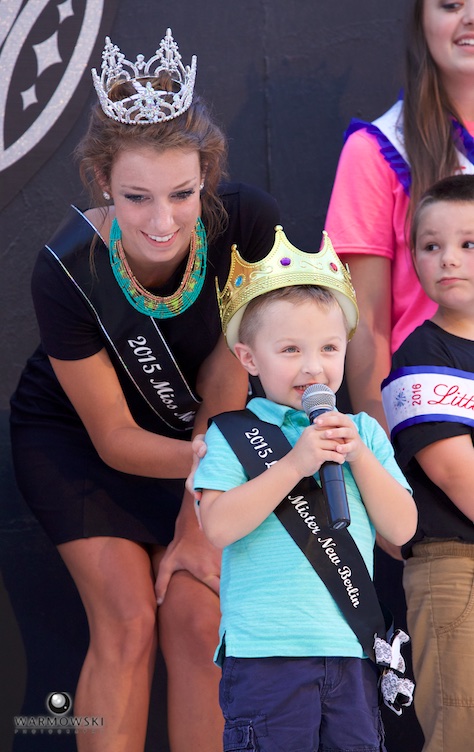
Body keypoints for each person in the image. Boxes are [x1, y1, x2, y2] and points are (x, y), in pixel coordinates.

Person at [9, 28, 280, 752]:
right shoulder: (65, 272)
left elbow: (231, 369)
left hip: (203, 442)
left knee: (199, 617)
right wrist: (208, 468)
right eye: (136, 197)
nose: (162, 222)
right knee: (128, 621)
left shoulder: (243, 222)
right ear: (101, 180)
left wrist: (201, 519)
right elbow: (114, 438)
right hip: (80, 446)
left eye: (183, 194)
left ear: (207, 178)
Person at [193, 226, 417, 751]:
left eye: (329, 348)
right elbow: (219, 526)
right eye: (290, 349)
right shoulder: (232, 434)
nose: (313, 366)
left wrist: (358, 457)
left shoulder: (362, 433)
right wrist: (294, 465)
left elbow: (403, 528)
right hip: (266, 654)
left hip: (351, 649)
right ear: (250, 359)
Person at [325, 0, 474, 433]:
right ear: (420, 18)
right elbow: (365, 323)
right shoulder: (377, 151)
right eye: (450, 4)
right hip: (441, 412)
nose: (469, 16)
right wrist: (388, 453)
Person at [382, 173, 474, 752]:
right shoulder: (421, 354)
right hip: (454, 570)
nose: (448, 260)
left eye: (469, 243)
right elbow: (457, 474)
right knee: (459, 726)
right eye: (430, 245)